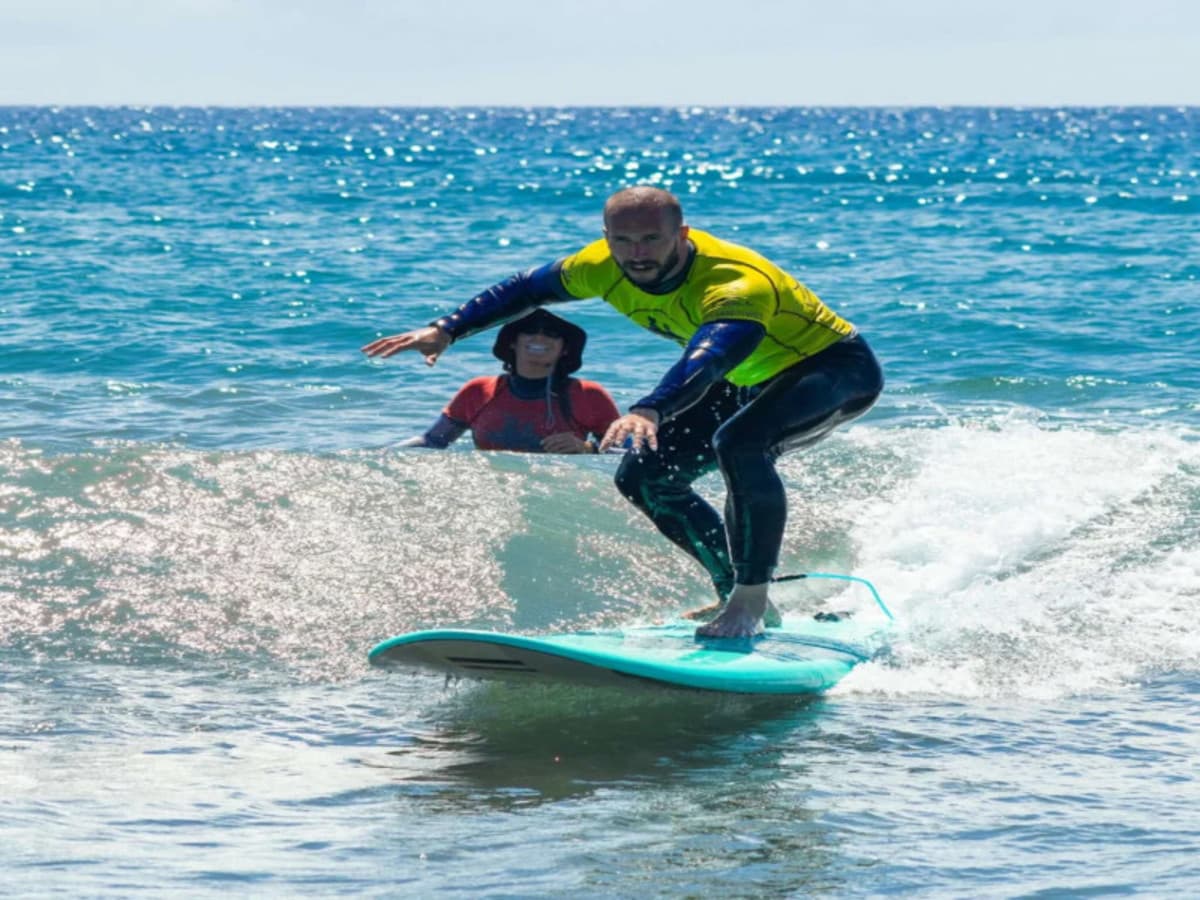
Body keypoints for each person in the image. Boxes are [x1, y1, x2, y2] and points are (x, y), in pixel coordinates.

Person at [362, 186, 883, 638]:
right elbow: (524, 290)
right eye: (623, 241)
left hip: (830, 369)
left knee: (741, 443)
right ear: (607, 237)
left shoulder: (736, 282)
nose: (636, 254)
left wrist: (652, 409)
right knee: (646, 477)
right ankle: (738, 593)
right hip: (745, 377)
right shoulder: (599, 266)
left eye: (652, 240)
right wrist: (448, 327)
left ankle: (749, 600)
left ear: (682, 235)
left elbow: (712, 356)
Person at [399, 308, 619, 453]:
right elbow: (432, 442)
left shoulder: (587, 394)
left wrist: (587, 448)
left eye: (551, 334)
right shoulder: (478, 391)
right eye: (530, 331)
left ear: (564, 349)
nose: (540, 338)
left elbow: (628, 453)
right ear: (513, 342)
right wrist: (376, 459)